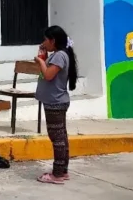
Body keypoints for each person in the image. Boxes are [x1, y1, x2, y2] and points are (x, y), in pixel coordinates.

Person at [33, 25, 78, 185]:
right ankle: (62, 171)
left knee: (57, 139)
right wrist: (44, 57)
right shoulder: (59, 55)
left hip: (55, 103)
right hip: (56, 102)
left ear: (53, 40)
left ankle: (57, 174)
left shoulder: (59, 56)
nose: (44, 42)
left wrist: (40, 61)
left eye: (46, 39)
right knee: (61, 138)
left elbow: (48, 75)